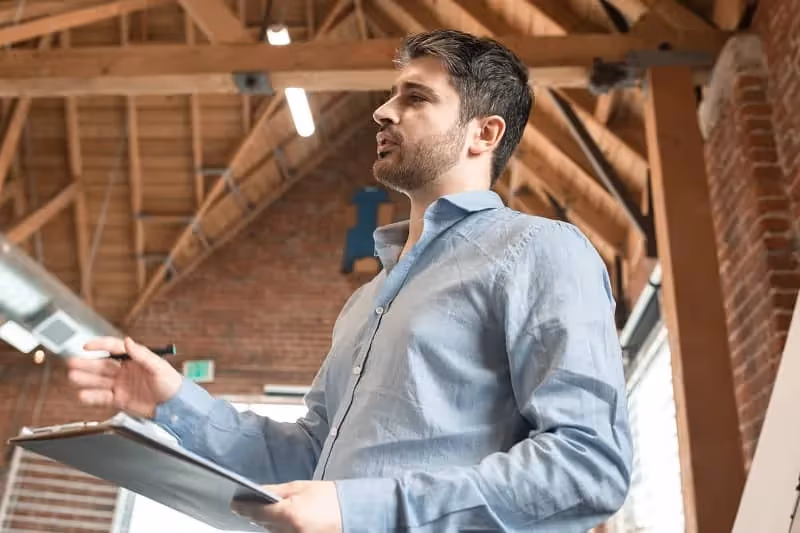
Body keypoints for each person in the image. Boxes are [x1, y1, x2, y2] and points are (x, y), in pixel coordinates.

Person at [68, 29, 632, 533]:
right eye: (392, 95)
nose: (383, 112)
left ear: (483, 133)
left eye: (415, 97)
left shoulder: (540, 251)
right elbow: (312, 463)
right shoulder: (367, 301)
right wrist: (174, 402)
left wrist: (359, 511)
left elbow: (587, 467)